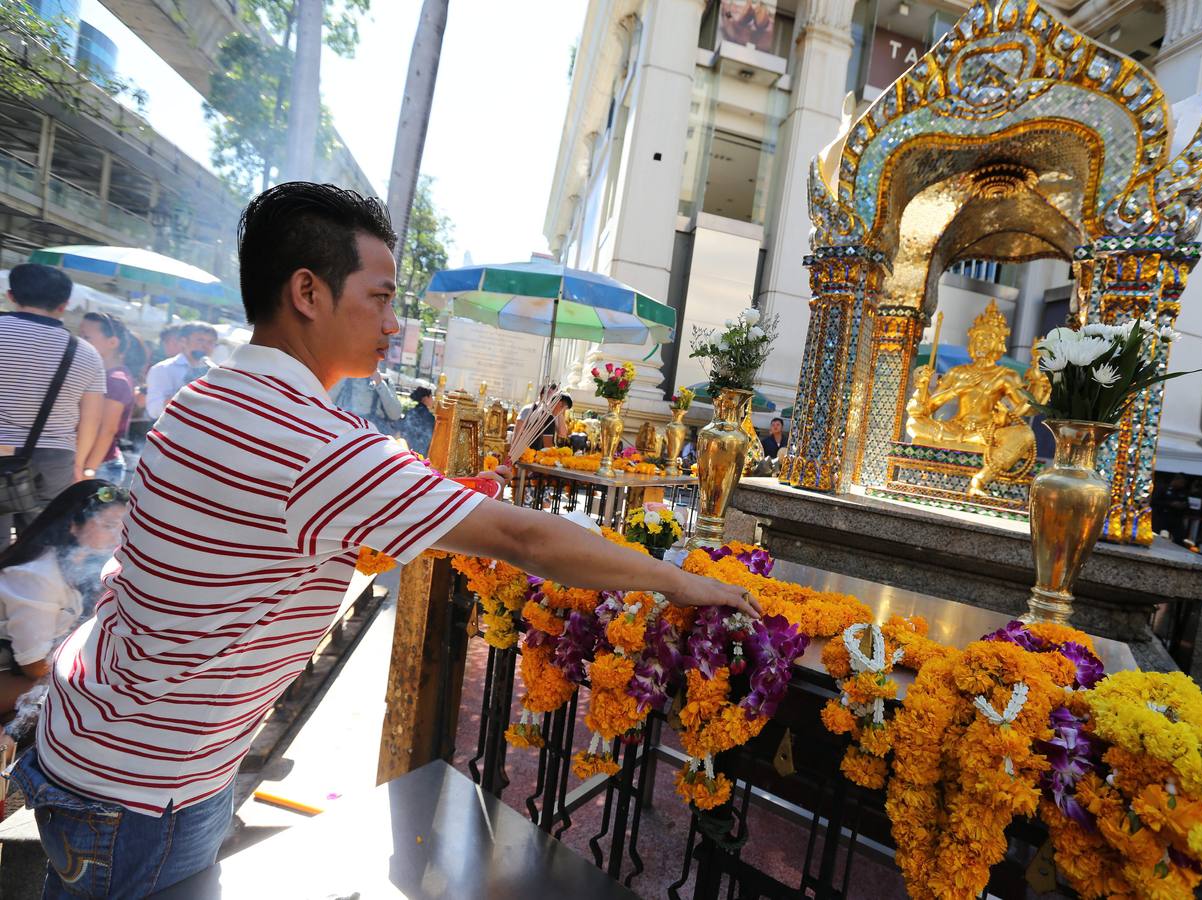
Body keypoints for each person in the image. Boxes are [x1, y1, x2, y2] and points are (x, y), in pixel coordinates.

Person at [10, 182, 758, 898]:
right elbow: (523, 538)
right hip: (147, 787)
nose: (394, 323)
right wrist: (681, 580)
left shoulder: (203, 396)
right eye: (380, 297)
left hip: (92, 732)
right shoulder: (315, 443)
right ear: (308, 292)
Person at [0, 264, 106, 549]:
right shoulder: (87, 353)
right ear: (64, 305)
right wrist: (79, 465)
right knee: (42, 545)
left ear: (11, 295)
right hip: (55, 459)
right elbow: (91, 419)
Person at [0, 480, 127, 716]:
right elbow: (33, 666)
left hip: (16, 670)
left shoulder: (81, 565)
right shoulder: (37, 576)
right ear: (73, 525)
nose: (117, 538)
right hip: (12, 671)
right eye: (108, 526)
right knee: (82, 693)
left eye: (123, 529)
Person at [78, 312, 147, 485]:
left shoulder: (115, 379)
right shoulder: (105, 375)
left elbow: (107, 430)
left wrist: (87, 471)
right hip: (97, 465)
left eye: (86, 337)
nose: (80, 341)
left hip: (100, 467)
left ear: (113, 343)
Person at [144, 322, 217, 418]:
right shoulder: (163, 369)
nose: (205, 346)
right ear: (183, 341)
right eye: (200, 340)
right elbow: (154, 411)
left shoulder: (215, 372)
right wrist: (188, 391)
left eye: (210, 342)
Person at [330, 369, 403, 434]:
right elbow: (326, 406)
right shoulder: (341, 377)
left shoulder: (385, 380)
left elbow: (395, 415)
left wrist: (380, 384)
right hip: (344, 435)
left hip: (374, 437)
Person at [518, 385, 572, 450]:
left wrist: (559, 412)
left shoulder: (543, 412)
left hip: (529, 451)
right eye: (563, 409)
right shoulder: (547, 416)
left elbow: (563, 434)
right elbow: (548, 445)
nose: (562, 412)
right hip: (535, 453)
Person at [400, 385, 437, 453]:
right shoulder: (429, 416)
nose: (433, 400)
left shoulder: (410, 412)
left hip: (406, 449)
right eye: (431, 397)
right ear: (425, 398)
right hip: (419, 453)